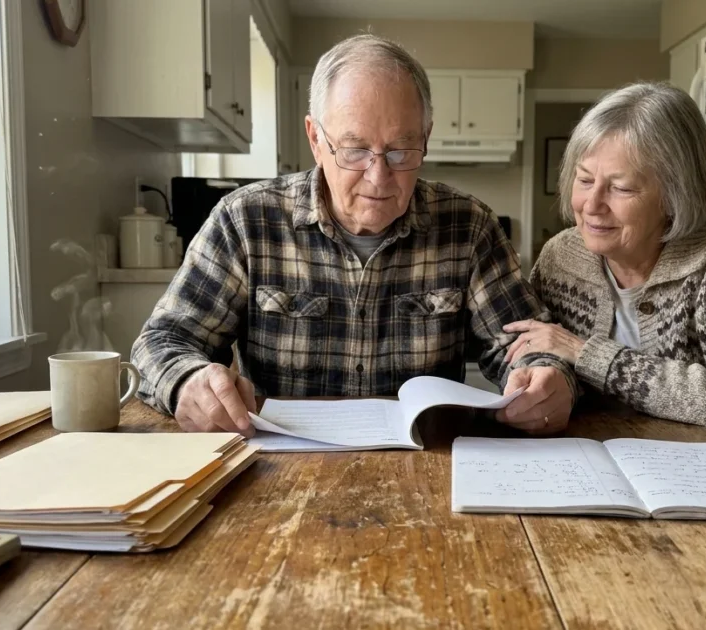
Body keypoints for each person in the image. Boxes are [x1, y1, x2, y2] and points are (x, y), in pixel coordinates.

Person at [132, 34, 577, 436]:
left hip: (428, 465)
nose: (378, 176)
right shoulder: (246, 220)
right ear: (315, 139)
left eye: (401, 150)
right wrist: (185, 381)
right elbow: (163, 340)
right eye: (355, 149)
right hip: (279, 470)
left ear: (426, 137)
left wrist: (546, 377)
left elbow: (524, 343)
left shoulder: (470, 226)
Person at [500, 82, 706, 501]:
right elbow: (552, 356)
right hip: (611, 484)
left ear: (675, 194)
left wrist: (587, 353)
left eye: (621, 188)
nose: (591, 204)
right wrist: (551, 380)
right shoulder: (562, 256)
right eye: (584, 179)